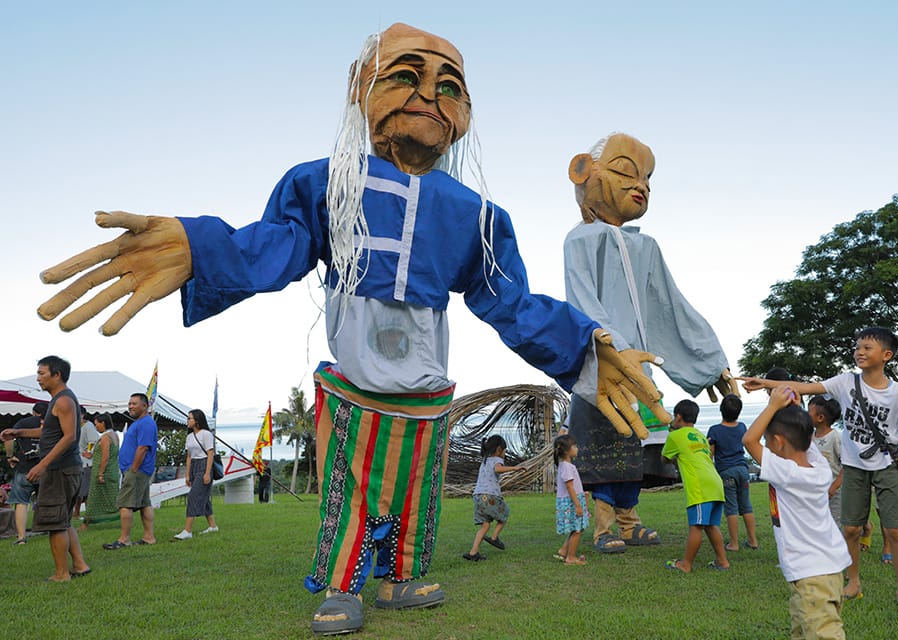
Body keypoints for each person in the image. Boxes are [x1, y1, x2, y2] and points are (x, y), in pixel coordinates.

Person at [35, 24, 668, 635]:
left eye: (450, 86)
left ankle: (401, 577)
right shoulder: (322, 184)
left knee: (418, 497)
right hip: (353, 391)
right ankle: (342, 585)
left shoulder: (476, 215)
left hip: (427, 394)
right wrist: (204, 248)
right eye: (404, 75)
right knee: (353, 494)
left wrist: (582, 343)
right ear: (359, 87)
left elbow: (509, 299)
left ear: (467, 113)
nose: (429, 95)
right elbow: (273, 248)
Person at [563, 132, 737, 554]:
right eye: (627, 171)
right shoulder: (580, 239)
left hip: (637, 372)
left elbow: (670, 306)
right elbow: (581, 300)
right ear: (584, 170)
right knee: (602, 447)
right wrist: (611, 346)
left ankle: (629, 521)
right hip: (602, 368)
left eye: (647, 178)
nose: (640, 184)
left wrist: (709, 359)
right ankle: (604, 529)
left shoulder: (647, 246)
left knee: (631, 451)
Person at [740, 326, 898, 610]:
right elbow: (805, 387)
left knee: (896, 530)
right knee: (850, 529)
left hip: (886, 465)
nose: (860, 352)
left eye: (867, 348)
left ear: (886, 355)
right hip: (853, 466)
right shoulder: (846, 382)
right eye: (858, 346)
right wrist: (764, 383)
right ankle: (853, 582)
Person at [742, 386, 851, 640]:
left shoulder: (787, 473)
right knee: (802, 631)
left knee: (823, 634)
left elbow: (748, 441)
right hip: (827, 569)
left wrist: (772, 406)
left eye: (769, 442)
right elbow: (804, 439)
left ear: (778, 443)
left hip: (811, 572)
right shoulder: (819, 467)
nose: (766, 446)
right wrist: (795, 409)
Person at [0, 356, 90, 581]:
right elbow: (49, 433)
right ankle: (79, 565)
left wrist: (42, 464)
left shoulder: (63, 401)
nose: (38, 378)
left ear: (56, 375)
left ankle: (61, 574)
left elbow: (69, 437)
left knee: (54, 522)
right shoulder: (58, 401)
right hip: (64, 469)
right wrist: (18, 432)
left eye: (42, 373)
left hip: (60, 470)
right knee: (64, 520)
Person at [663, 400, 729, 572]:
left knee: (696, 525)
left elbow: (664, 458)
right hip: (716, 483)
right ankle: (722, 561)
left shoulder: (674, 436)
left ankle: (685, 564)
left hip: (700, 486)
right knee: (710, 525)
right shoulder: (700, 435)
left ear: (678, 417)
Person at [103, 392, 158, 549]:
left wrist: (132, 469)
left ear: (145, 405)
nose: (131, 406)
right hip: (138, 471)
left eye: (134, 403)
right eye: (130, 403)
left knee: (125, 504)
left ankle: (124, 539)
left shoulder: (146, 423)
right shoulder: (138, 423)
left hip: (137, 471)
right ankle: (149, 537)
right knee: (144, 503)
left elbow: (143, 448)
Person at [707, 393, 759, 551]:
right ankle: (753, 541)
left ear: (721, 409)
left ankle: (734, 543)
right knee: (746, 505)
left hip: (726, 472)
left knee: (731, 507)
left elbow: (711, 454)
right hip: (743, 470)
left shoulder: (714, 430)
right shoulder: (742, 426)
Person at [463, 435, 523, 561]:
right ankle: (495, 537)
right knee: (504, 514)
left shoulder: (485, 460)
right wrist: (514, 468)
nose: (505, 453)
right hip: (490, 495)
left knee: (485, 525)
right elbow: (498, 469)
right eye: (505, 451)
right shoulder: (496, 459)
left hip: (478, 496)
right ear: (499, 449)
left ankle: (473, 553)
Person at [3, 401, 46, 544]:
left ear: (34, 412)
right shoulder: (53, 423)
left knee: (21, 502)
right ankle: (50, 530)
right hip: (47, 467)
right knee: (49, 499)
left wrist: (10, 456)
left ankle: (21, 537)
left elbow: (8, 438)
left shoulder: (23, 422)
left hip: (25, 467)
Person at [174, 409, 219, 540]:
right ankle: (213, 526)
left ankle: (187, 530)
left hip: (204, 465)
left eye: (190, 418)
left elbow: (210, 453)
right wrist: (187, 475)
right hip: (194, 466)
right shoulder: (189, 436)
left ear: (197, 420)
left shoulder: (206, 434)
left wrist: (207, 473)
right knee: (204, 498)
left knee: (193, 496)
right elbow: (188, 456)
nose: (187, 421)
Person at [553, 434, 589, 566]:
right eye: (574, 446)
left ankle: (564, 550)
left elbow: (572, 486)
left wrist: (582, 494)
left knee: (577, 527)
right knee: (577, 530)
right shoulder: (567, 467)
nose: (577, 448)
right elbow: (569, 487)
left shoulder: (566, 465)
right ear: (567, 450)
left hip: (573, 500)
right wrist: (578, 505)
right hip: (572, 502)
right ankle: (571, 557)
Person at [808, 395, 843, 526]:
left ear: (820, 418)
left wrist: (833, 488)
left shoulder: (835, 437)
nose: (806, 415)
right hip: (815, 491)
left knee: (834, 525)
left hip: (833, 492)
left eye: (808, 412)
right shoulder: (809, 437)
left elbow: (846, 466)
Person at [82, 413, 120, 527]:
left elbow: (105, 457)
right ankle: (117, 520)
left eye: (96, 424)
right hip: (113, 470)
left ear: (103, 423)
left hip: (103, 472)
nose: (96, 427)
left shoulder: (105, 437)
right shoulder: (115, 435)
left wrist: (100, 474)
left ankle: (86, 524)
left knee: (93, 498)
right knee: (111, 499)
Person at [74, 407, 99, 519]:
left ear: (82, 415)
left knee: (87, 490)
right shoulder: (75, 427)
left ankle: (89, 514)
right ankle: (76, 513)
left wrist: (89, 452)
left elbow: (93, 441)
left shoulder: (88, 426)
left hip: (86, 463)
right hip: (77, 462)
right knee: (78, 490)